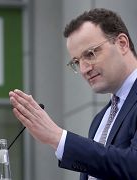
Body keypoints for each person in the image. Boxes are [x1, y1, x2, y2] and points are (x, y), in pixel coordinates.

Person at [9, 8, 137, 180]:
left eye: (90, 54)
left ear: (122, 43)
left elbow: (133, 166)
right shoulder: (100, 119)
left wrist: (57, 137)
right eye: (77, 61)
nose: (84, 69)